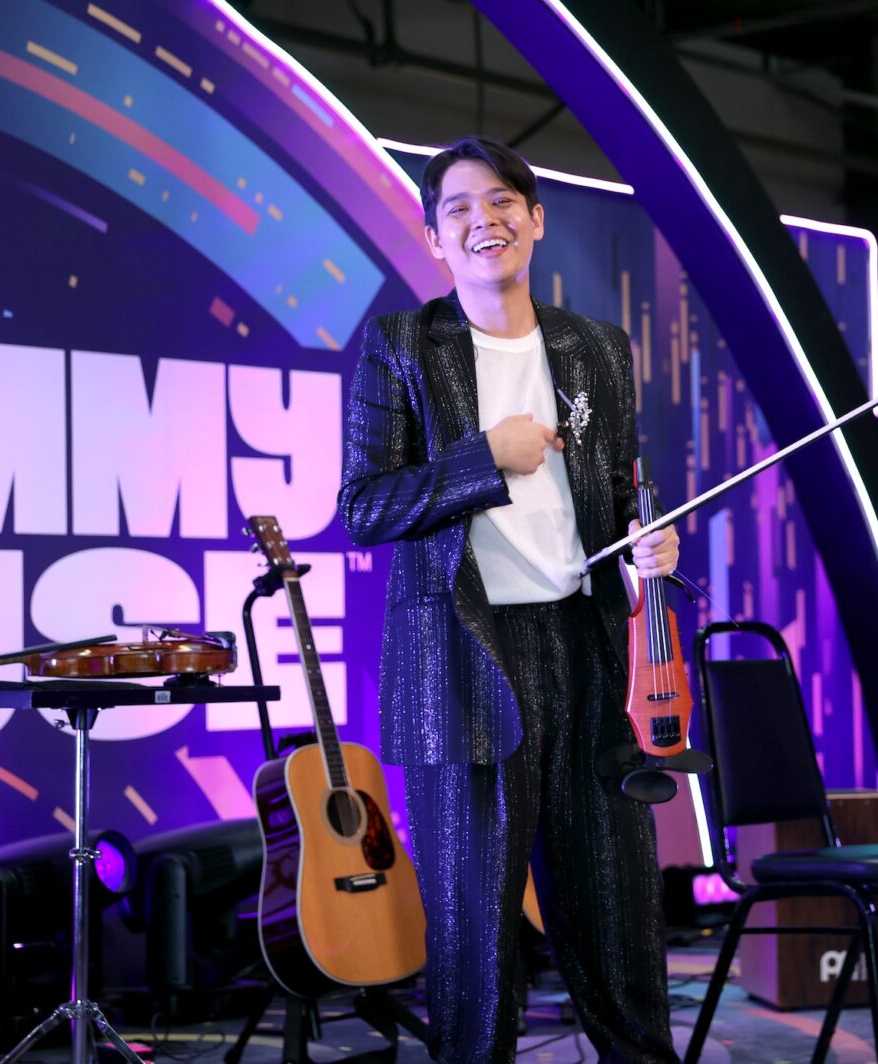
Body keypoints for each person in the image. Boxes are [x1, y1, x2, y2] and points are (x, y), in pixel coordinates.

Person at [338, 136, 679, 1063]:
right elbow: (363, 509)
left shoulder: (597, 349)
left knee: (619, 926)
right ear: (436, 240)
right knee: (477, 944)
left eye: (502, 203)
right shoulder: (402, 347)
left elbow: (616, 496)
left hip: (587, 650)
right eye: (459, 210)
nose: (484, 220)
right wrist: (485, 458)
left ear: (535, 219)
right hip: (463, 660)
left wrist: (646, 546)